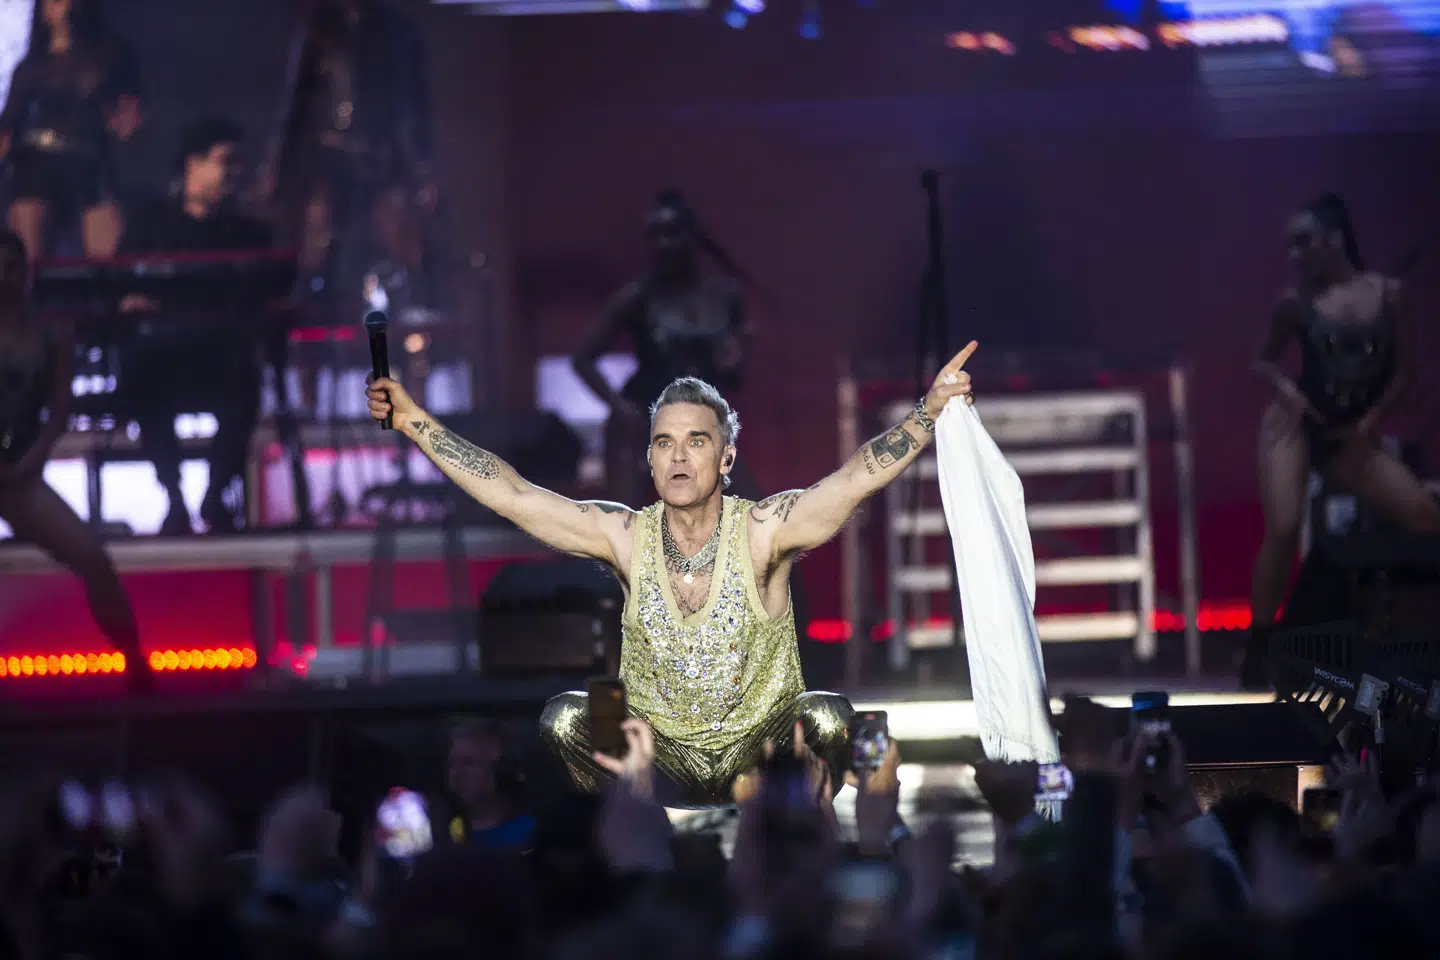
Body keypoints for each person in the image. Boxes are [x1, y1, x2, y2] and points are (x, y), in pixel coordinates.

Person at [366, 347, 978, 805]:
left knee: (827, 715)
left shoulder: (765, 529)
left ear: (726, 457)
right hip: (656, 755)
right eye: (664, 443)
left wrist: (926, 413)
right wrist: (415, 420)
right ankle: (628, 853)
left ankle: (794, 852)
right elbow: (515, 495)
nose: (679, 456)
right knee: (566, 716)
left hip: (758, 756)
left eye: (695, 442)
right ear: (650, 458)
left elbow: (851, 481)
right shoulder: (625, 536)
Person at [1243, 193, 1440, 687]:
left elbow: (1404, 372)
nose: (1293, 255)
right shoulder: (1296, 303)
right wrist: (1287, 391)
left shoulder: (1389, 294)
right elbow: (1261, 359)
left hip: (1350, 436)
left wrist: (1372, 421)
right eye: (1289, 245)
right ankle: (1259, 642)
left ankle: (1401, 629)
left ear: (1334, 238)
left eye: (1303, 242)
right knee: (1284, 526)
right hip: (1295, 427)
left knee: (1424, 516)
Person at [0, 229, 145, 691]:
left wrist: (31, 462)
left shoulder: (52, 333)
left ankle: (135, 664)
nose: (4, 278)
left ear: (26, 272)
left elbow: (59, 411)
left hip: (18, 474)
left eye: (11, 268)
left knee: (93, 560)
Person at [118, 117, 273, 535]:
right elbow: (120, 283)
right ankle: (173, 497)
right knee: (144, 383)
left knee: (245, 386)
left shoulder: (248, 231)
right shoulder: (150, 223)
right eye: (226, 160)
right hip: (162, 355)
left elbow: (265, 290)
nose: (234, 172)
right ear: (193, 164)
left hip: (221, 356)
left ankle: (216, 492)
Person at [572, 190, 751, 509]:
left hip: (701, 423)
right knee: (628, 527)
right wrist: (620, 408)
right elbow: (583, 358)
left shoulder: (724, 297)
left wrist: (733, 360)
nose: (663, 244)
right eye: (655, 235)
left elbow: (733, 376)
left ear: (692, 237)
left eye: (672, 233)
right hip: (645, 420)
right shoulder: (638, 297)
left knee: (753, 517)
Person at [260, 0, 436, 309]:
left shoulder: (396, 30)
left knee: (400, 244)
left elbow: (414, 103)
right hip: (332, 156)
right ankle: (312, 314)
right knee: (320, 240)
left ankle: (411, 322)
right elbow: (296, 103)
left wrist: (421, 167)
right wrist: (278, 166)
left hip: (382, 155)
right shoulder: (321, 28)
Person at [0, 0, 142, 259]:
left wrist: (122, 119)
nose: (66, 7)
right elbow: (9, 123)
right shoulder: (31, 66)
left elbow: (129, 111)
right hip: (35, 163)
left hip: (89, 159)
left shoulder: (109, 55)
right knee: (28, 259)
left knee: (108, 259)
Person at [445, 720, 536, 852]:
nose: (455, 773)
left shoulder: (529, 834)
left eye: (469, 763)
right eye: (452, 763)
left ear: (502, 771)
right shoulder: (436, 829)